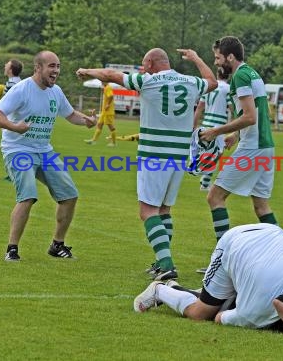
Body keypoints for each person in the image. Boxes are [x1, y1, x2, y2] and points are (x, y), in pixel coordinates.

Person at [76, 48, 217, 281]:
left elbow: (112, 74)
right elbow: (211, 82)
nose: (143, 69)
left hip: (155, 154)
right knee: (164, 209)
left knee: (147, 211)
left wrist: (87, 71)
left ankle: (168, 265)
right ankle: (161, 262)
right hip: (179, 155)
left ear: (151, 63)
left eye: (144, 64)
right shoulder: (191, 81)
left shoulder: (149, 81)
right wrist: (196, 59)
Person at [133, 223, 283, 336]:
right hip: (232, 245)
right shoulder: (256, 314)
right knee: (201, 313)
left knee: (234, 292)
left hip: (271, 232)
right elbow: (218, 318)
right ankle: (161, 290)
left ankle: (184, 290)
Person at [0, 50, 97, 261]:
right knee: (28, 195)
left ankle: (57, 245)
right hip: (18, 150)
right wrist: (14, 127)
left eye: (58, 66)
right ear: (38, 68)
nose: (56, 70)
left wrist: (87, 121)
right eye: (51, 66)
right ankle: (12, 249)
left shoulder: (55, 92)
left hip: (44, 150)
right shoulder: (22, 90)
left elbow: (71, 115)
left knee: (69, 195)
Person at [199, 36, 278, 246]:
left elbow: (250, 117)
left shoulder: (240, 77)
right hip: (265, 146)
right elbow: (260, 111)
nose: (216, 63)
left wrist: (216, 131)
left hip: (252, 148)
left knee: (214, 197)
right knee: (261, 206)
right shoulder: (251, 73)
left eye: (218, 58)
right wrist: (235, 134)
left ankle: (223, 257)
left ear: (230, 57)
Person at [193, 67, 233, 190]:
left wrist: (194, 124)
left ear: (217, 74)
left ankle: (204, 178)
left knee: (211, 152)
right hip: (219, 125)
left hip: (206, 123)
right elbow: (232, 108)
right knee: (218, 153)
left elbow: (200, 107)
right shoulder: (227, 89)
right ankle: (204, 182)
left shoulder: (209, 87)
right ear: (229, 75)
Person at [84, 81, 118, 147]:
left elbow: (111, 96)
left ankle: (114, 143)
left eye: (102, 81)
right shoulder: (106, 88)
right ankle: (93, 141)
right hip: (104, 112)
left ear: (106, 81)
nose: (101, 83)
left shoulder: (108, 87)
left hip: (108, 112)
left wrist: (108, 105)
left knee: (111, 127)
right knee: (99, 125)